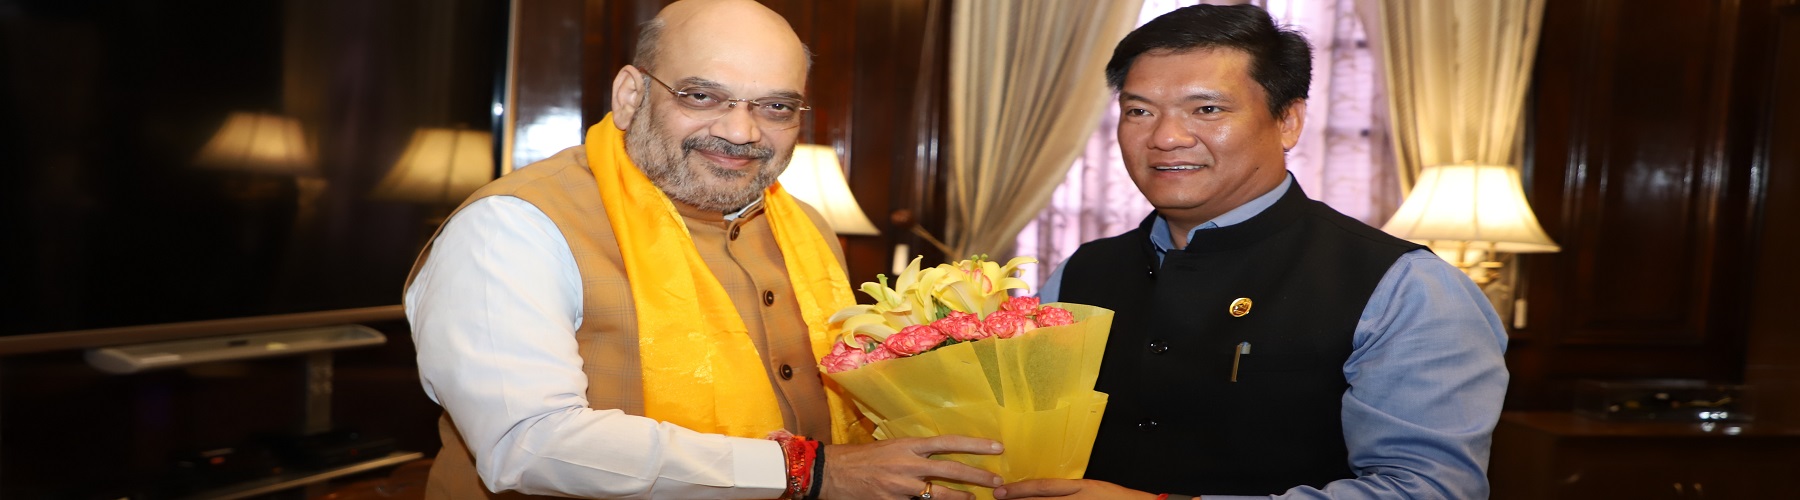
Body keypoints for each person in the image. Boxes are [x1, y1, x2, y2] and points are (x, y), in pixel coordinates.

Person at [403, 1, 1002, 498]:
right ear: (630, 94)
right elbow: (527, 443)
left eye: (776, 107)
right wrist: (810, 473)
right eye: (701, 96)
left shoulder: (809, 229)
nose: (742, 132)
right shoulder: (516, 227)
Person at [995, 4, 1509, 500]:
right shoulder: (1081, 271)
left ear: (1288, 120)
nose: (1166, 137)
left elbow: (1427, 490)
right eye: (1139, 111)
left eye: (1207, 109)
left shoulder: (1405, 288)